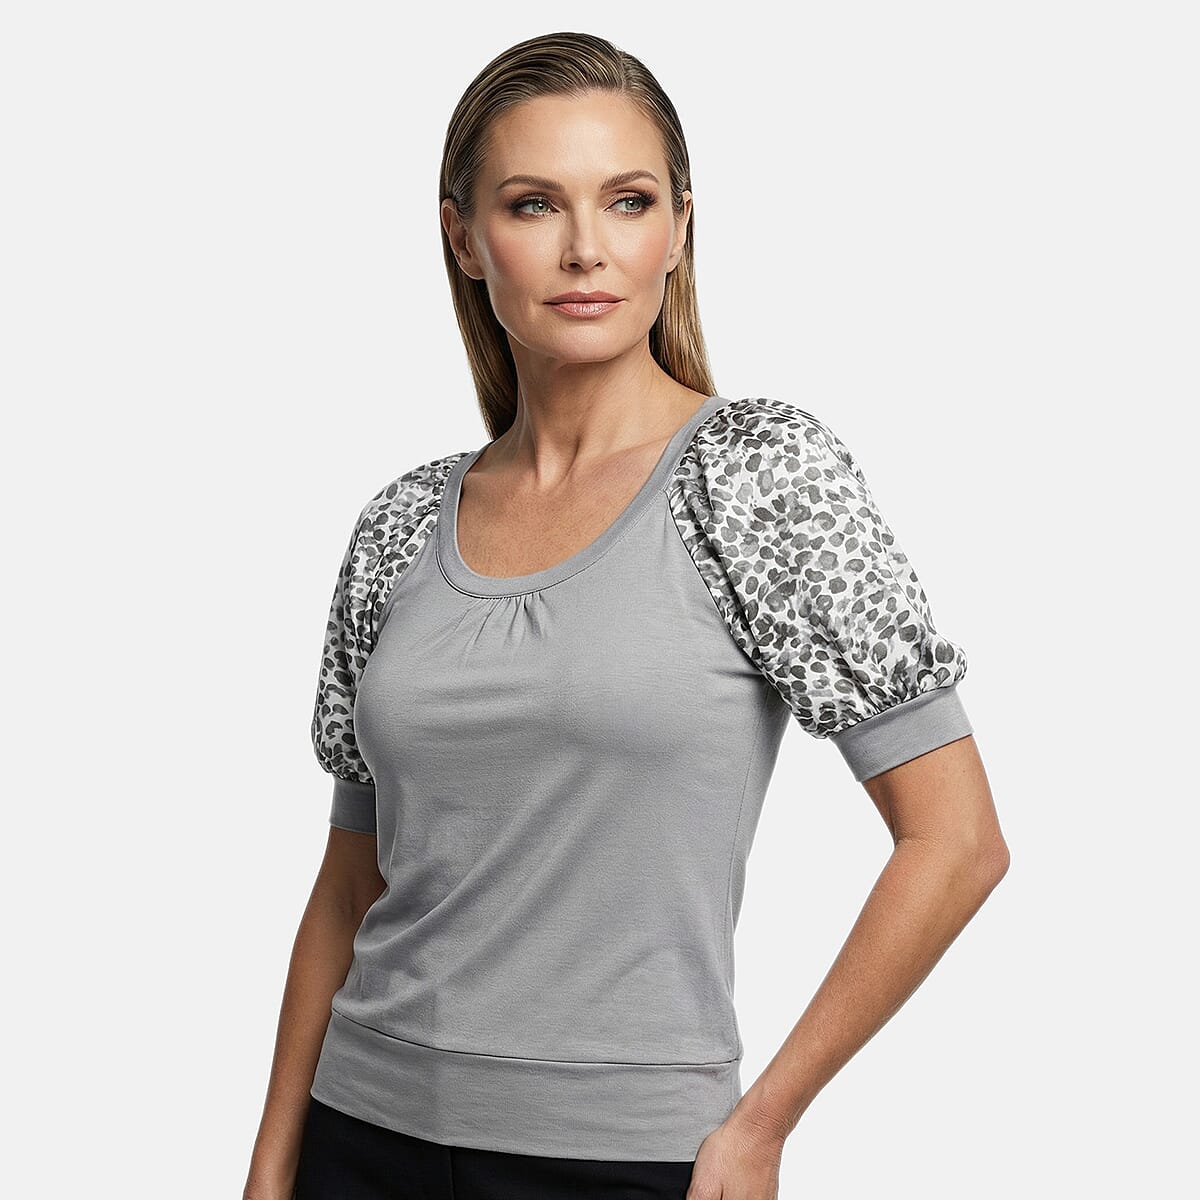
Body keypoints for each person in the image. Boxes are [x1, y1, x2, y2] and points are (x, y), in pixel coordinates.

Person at [243, 29, 1008, 1200]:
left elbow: (955, 841)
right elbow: (351, 884)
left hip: (623, 1163)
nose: (585, 248)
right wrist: (271, 1168)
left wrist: (761, 1126)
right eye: (533, 204)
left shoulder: (756, 476)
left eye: (628, 200)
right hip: (359, 1132)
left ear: (680, 228)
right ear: (463, 237)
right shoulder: (400, 523)